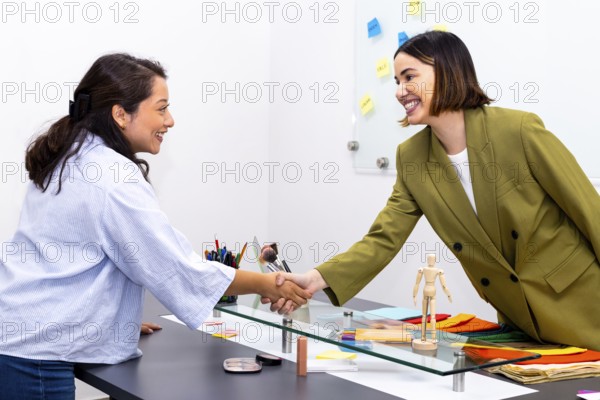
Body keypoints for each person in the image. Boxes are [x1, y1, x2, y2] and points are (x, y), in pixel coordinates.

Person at [0, 53, 310, 399]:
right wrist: (268, 283)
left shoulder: (70, 155)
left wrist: (114, 322)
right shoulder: (111, 177)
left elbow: (73, 258)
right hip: (35, 355)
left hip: (21, 333)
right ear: (120, 114)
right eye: (161, 108)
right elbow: (173, 266)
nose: (171, 120)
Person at [267, 31, 600, 351]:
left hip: (582, 304)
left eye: (409, 77)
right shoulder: (412, 158)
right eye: (396, 81)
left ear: (448, 73)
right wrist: (316, 278)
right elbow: (383, 239)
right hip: (521, 321)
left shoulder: (519, 130)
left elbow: (589, 211)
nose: (400, 91)